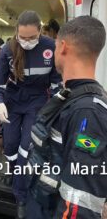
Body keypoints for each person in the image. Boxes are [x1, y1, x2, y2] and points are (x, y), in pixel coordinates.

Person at [26, 16, 107, 219]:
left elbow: (80, 203)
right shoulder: (69, 96)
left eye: (54, 46)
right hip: (41, 202)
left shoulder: (87, 112)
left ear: (62, 47)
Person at [0, 10, 62, 218]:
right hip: (12, 101)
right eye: (23, 38)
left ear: (40, 31)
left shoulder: (50, 47)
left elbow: (57, 82)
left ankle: (21, 196)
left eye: (32, 38)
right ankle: (17, 174)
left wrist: (56, 106)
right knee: (11, 146)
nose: (27, 42)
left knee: (26, 147)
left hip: (37, 101)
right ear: (16, 33)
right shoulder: (7, 50)